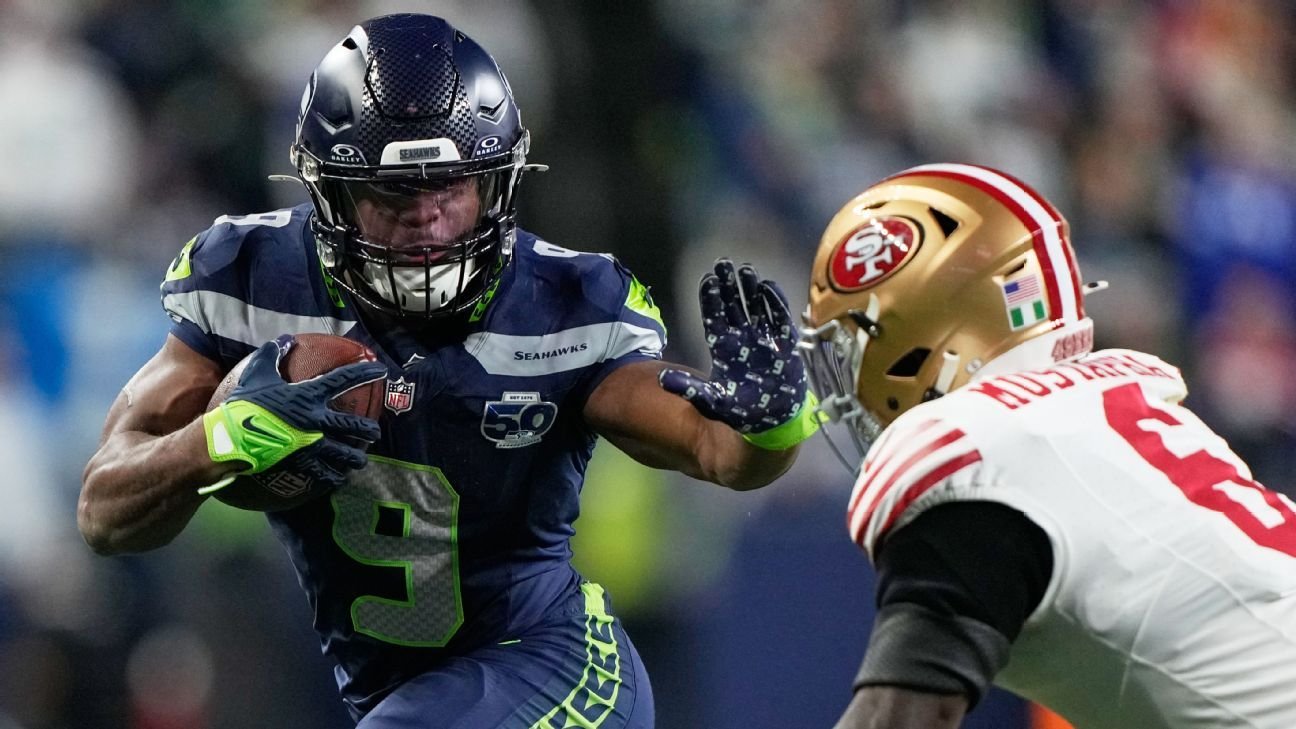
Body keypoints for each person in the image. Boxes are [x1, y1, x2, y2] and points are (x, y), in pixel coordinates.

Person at [78, 14, 819, 728]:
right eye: (395, 190)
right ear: (331, 190)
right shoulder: (251, 280)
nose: (428, 215)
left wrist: (772, 426)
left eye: (452, 185)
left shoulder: (564, 303)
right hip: (397, 693)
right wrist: (218, 440)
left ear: (497, 183)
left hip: (554, 665)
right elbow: (103, 511)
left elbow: (719, 451)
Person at [799, 163, 1296, 729]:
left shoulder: (981, 451)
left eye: (852, 350)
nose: (848, 388)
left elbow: (903, 717)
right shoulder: (1109, 410)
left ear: (921, 336)